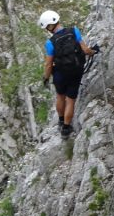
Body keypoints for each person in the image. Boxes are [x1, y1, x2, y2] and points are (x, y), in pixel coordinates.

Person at [38, 10, 98, 138]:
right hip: (76, 71)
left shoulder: (50, 43)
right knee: (70, 100)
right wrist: (93, 51)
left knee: (60, 96)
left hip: (60, 73)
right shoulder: (74, 31)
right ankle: (66, 129)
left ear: (49, 26)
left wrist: (46, 77)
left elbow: (48, 64)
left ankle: (60, 120)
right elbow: (85, 50)